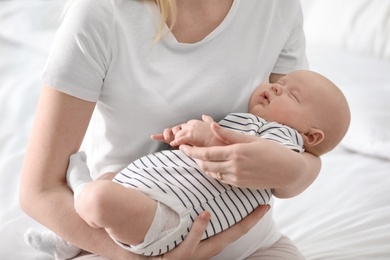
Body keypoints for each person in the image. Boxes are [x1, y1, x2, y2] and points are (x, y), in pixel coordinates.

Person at [19, 0, 334, 259]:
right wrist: (137, 257)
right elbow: (39, 191)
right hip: (131, 242)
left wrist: (293, 171)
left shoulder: (277, 7)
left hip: (254, 246)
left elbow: (302, 145)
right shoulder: (103, 12)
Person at [24, 70, 350, 258]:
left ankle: (81, 193)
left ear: (312, 135)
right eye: (281, 82)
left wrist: (206, 134)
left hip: (175, 220)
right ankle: (73, 236)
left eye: (291, 95)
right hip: (156, 209)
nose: (277, 85)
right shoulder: (258, 124)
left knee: (101, 197)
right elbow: (34, 192)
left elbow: (282, 163)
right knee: (108, 188)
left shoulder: (282, 139)